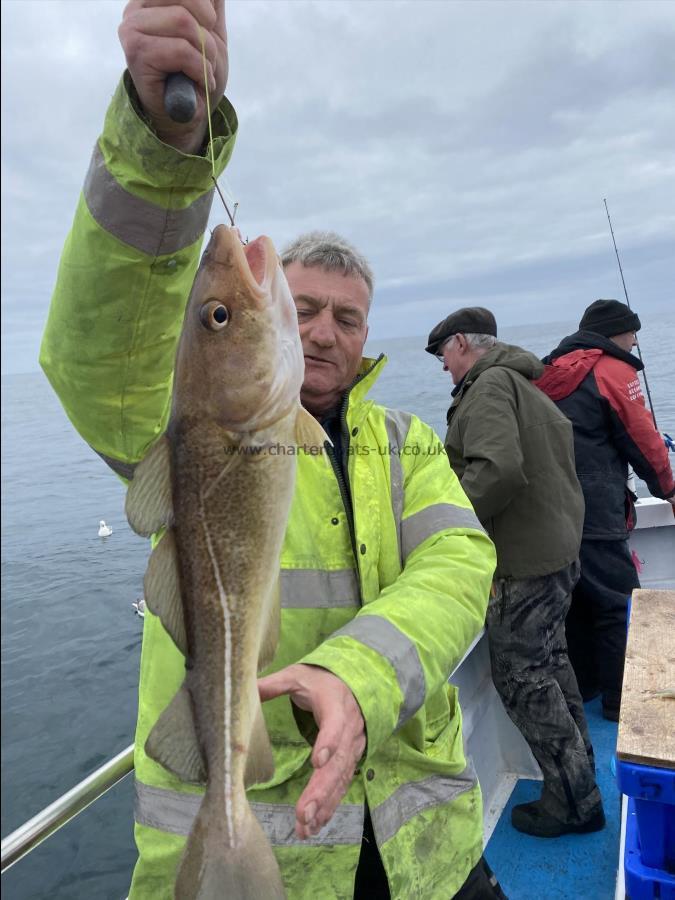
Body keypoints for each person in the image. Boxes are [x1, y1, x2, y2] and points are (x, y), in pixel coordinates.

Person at [40, 2, 502, 897]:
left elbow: (459, 561)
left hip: (425, 856)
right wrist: (162, 149)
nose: (322, 332)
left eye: (347, 316)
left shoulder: (406, 443)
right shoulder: (180, 428)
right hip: (271, 856)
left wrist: (352, 677)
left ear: (369, 333)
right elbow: (97, 359)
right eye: (302, 307)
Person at [425, 307, 605, 838]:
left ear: (461, 343)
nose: (442, 368)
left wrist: (443, 524)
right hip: (558, 553)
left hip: (523, 565)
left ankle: (574, 802)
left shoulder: (486, 390)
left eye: (442, 355)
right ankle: (582, 778)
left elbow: (496, 470)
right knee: (552, 664)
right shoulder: (527, 385)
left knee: (524, 678)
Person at [538, 299, 675, 721]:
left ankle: (590, 686)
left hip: (549, 507)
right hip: (596, 507)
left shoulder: (548, 370)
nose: (635, 344)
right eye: (633, 335)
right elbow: (643, 439)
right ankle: (623, 702)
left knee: (577, 600)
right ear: (617, 334)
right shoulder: (614, 370)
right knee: (618, 602)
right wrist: (668, 487)